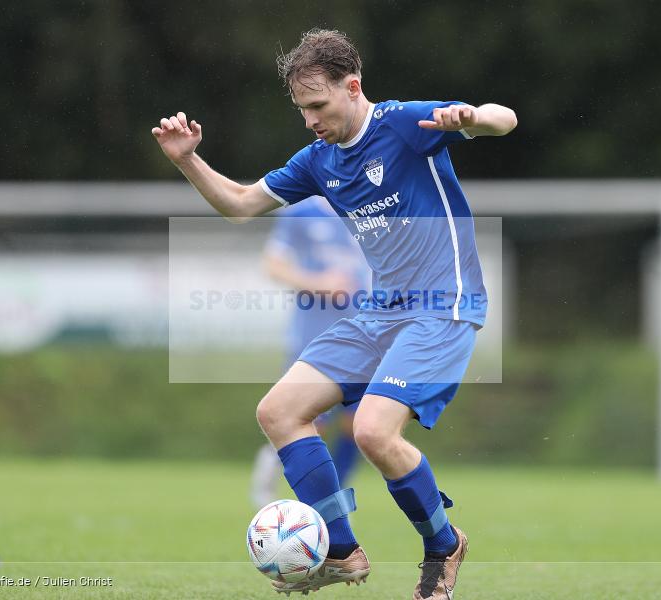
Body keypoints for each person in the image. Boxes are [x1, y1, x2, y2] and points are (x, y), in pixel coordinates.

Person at [152, 29, 516, 599]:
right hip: (381, 311)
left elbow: (506, 119)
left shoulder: (404, 124)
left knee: (372, 430)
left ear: (353, 88)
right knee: (278, 412)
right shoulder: (317, 160)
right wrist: (188, 160)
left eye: (318, 106)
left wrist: (471, 117)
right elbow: (241, 205)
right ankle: (341, 552)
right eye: (302, 110)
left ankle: (443, 545)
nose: (310, 121)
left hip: (443, 307)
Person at [250, 196, 366, 508]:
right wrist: (319, 282)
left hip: (365, 337)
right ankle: (272, 464)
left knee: (360, 425)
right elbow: (273, 264)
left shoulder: (371, 206)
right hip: (315, 336)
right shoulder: (302, 212)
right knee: (311, 422)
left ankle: (334, 501)